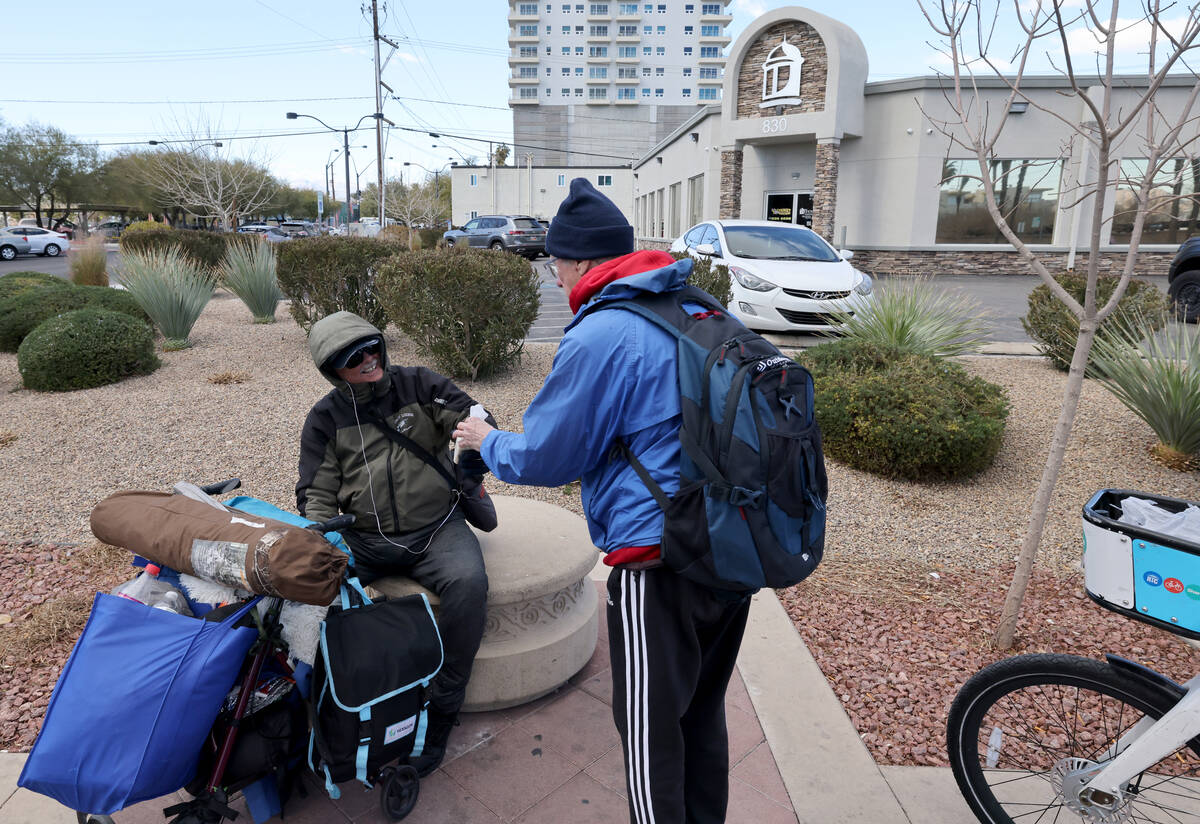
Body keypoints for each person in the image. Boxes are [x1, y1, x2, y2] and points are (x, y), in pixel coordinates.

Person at [454, 178, 752, 824]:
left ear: (583, 262)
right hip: (734, 546)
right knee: (702, 714)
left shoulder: (602, 335)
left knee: (650, 734)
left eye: (557, 264)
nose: (555, 277)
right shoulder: (700, 309)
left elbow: (550, 455)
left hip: (660, 561)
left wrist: (487, 439)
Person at [297, 310, 495, 776]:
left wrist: (472, 445)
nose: (368, 360)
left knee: (469, 583)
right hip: (362, 539)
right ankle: (330, 708)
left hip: (435, 530)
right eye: (352, 357)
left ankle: (444, 705)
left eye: (371, 348)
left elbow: (474, 418)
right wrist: (322, 541)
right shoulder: (325, 419)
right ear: (332, 369)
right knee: (308, 593)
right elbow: (316, 492)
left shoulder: (420, 385)